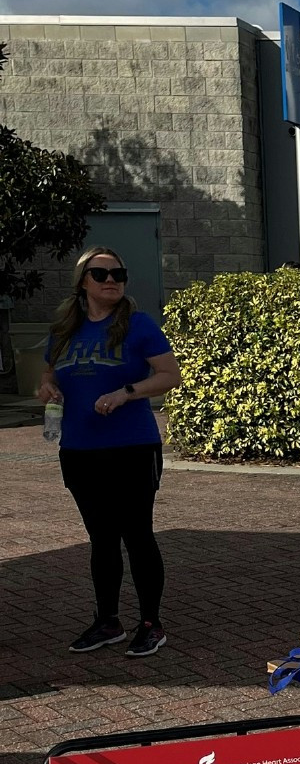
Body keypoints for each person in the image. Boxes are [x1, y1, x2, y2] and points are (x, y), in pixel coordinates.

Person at [38, 247, 181, 655]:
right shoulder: (65, 330)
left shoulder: (137, 325)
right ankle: (107, 622)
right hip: (80, 449)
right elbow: (48, 376)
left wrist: (126, 392)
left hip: (132, 447)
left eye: (118, 273)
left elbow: (171, 374)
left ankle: (151, 623)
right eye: (101, 274)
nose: (111, 280)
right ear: (83, 281)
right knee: (101, 538)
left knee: (136, 535)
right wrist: (47, 390)